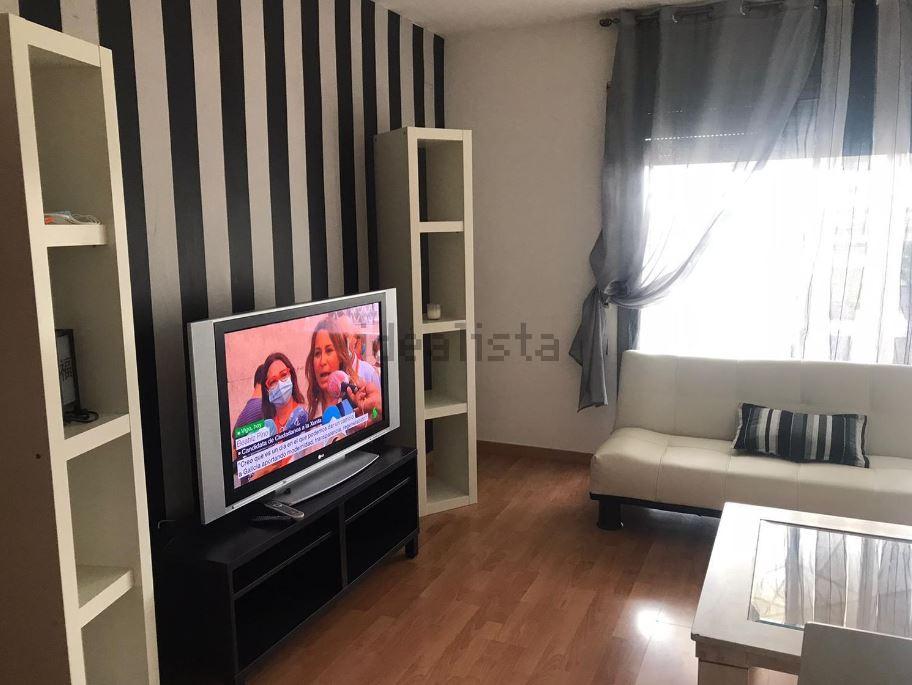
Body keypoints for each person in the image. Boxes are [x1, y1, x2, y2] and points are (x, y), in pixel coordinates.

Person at [304, 318, 383, 427]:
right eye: (317, 353)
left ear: (340, 356)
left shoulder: (356, 398)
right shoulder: (309, 411)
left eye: (329, 350)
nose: (322, 362)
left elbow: (376, 415)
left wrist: (374, 415)